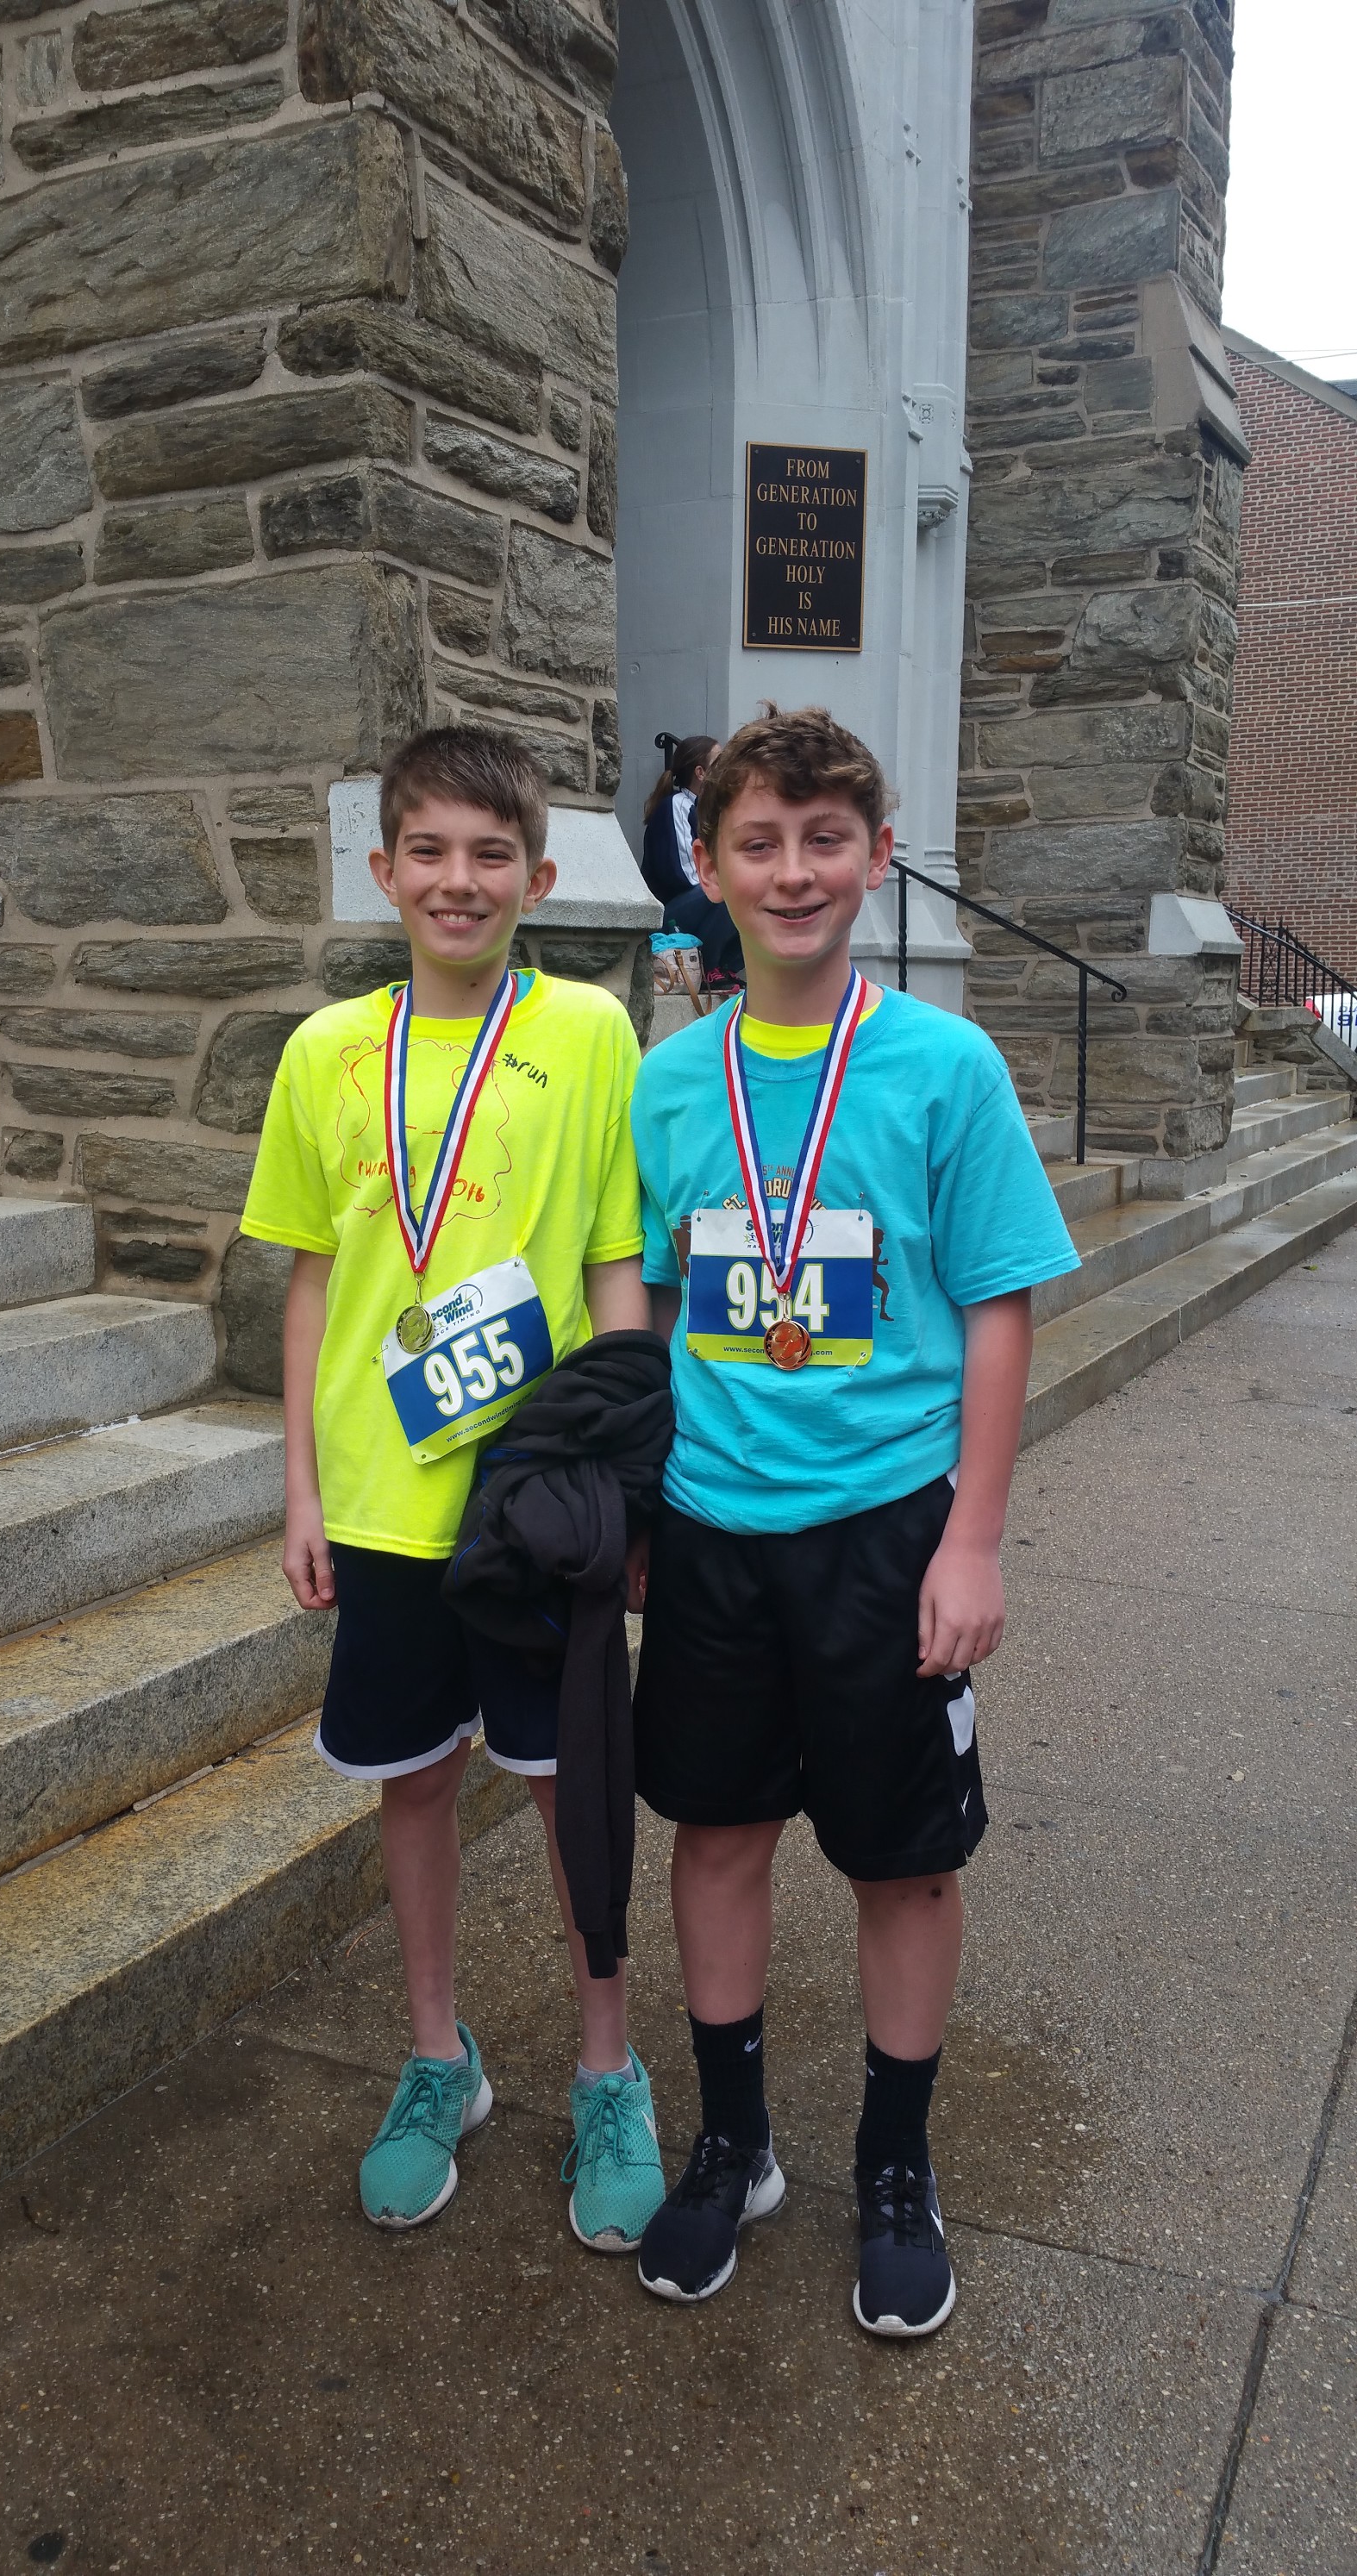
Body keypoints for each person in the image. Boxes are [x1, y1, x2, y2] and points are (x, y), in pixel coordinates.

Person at [628, 704, 1079, 2332]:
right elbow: (652, 1305)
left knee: (903, 1861)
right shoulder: (668, 1084)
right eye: (758, 841)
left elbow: (1000, 1305)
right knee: (717, 1834)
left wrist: (973, 1538)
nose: (793, 869)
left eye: (826, 838)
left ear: (877, 856)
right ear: (707, 865)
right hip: (712, 1527)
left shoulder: (945, 1068)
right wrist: (637, 1511)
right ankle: (734, 2141)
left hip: (888, 1530)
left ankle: (896, 2163)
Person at [240, 725, 666, 2255]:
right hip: (380, 1501)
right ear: (384, 870)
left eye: (491, 854)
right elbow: (310, 1286)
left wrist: (629, 1488)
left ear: (538, 878)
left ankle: (608, 2068)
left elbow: (615, 1265)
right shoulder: (324, 1053)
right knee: (412, 1780)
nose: (458, 880)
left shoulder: (591, 1033)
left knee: (568, 1788)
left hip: (537, 1497)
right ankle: (439, 2056)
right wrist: (299, 1490)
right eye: (428, 850)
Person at [641, 732, 743, 986]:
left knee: (753, 887)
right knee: (729, 887)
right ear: (701, 772)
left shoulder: (710, 810)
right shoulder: (677, 805)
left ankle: (725, 967)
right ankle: (710, 967)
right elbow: (683, 874)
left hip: (698, 903)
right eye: (719, 761)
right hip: (670, 912)